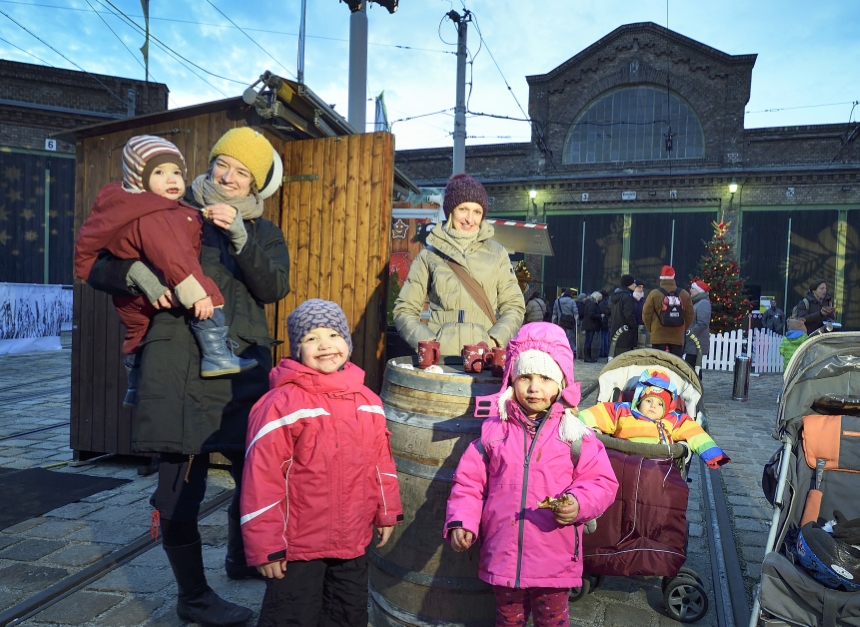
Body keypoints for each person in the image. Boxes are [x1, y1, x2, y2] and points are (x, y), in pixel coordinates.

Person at [84, 127, 291, 627]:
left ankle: (243, 556)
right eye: (224, 165)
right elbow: (99, 265)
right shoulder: (163, 206)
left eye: (243, 173)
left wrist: (241, 236)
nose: (229, 177)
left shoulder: (263, 231)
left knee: (254, 472)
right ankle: (193, 596)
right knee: (182, 481)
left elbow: (273, 287)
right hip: (178, 362)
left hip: (244, 363)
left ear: (257, 185)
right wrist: (133, 274)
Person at [241, 299, 403, 627]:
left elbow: (381, 462)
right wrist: (265, 545)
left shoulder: (367, 401)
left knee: (347, 615)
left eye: (333, 334)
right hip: (297, 545)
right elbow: (261, 479)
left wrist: (386, 511)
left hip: (352, 540)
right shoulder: (280, 405)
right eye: (312, 338)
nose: (325, 344)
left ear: (347, 342)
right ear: (297, 348)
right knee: (292, 616)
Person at [444, 322, 618, 627]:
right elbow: (469, 483)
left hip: (554, 558)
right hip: (503, 555)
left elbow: (601, 481)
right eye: (525, 377)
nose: (534, 387)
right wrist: (463, 520)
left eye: (545, 378)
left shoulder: (574, 435)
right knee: (508, 620)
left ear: (562, 383)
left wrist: (578, 503)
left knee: (552, 621)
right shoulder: (494, 433)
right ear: (511, 379)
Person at [75, 136, 256, 408]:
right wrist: (198, 294)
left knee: (137, 334)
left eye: (176, 173)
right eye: (159, 173)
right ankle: (217, 355)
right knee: (209, 298)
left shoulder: (133, 205)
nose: (171, 180)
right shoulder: (156, 212)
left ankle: (134, 385)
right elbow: (174, 259)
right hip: (157, 296)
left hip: (131, 306)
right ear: (139, 178)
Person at [393, 173, 525, 355]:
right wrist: (428, 343)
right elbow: (404, 309)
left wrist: (496, 339)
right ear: (451, 210)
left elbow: (514, 306)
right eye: (463, 209)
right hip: (440, 359)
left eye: (477, 212)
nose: (470, 219)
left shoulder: (497, 253)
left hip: (484, 357)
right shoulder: (429, 255)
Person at [578, 369, 731, 469]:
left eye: (659, 404)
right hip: (620, 459)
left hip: (657, 464)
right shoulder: (622, 410)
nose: (653, 406)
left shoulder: (674, 420)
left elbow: (694, 433)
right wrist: (574, 421)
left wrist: (713, 454)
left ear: (666, 409)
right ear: (639, 400)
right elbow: (598, 414)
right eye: (649, 401)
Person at [643, 265, 694, 357]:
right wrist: (682, 328)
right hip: (677, 335)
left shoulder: (654, 294)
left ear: (661, 278)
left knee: (658, 363)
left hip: (658, 335)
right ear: (673, 277)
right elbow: (689, 315)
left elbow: (646, 314)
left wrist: (652, 329)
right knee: (675, 364)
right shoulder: (684, 294)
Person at [683, 280, 712, 377]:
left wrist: (690, 333)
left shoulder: (703, 303)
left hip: (696, 342)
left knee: (693, 367)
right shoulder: (696, 302)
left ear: (699, 291)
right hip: (693, 342)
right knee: (693, 367)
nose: (690, 290)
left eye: (693, 288)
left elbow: (702, 323)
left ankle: (696, 388)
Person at [609, 274, 638, 357]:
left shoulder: (616, 296)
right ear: (629, 284)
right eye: (633, 283)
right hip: (626, 334)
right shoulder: (627, 297)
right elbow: (629, 315)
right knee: (625, 360)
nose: (635, 285)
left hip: (616, 333)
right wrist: (634, 326)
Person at [551, 288, 578, 355]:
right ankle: (569, 351)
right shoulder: (572, 301)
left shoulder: (557, 301)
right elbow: (575, 312)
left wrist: (553, 321)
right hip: (569, 322)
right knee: (569, 337)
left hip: (561, 321)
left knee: (561, 336)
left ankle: (562, 351)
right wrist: (576, 321)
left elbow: (554, 313)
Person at [581, 291, 603, 363]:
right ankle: (588, 357)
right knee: (589, 341)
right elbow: (591, 314)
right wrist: (600, 316)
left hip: (589, 324)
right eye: (599, 298)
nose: (600, 300)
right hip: (591, 324)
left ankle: (588, 357)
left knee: (588, 341)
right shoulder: (592, 304)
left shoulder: (589, 303)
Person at [598, 289, 611, 358]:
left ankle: (602, 352)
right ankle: (606, 352)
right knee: (606, 337)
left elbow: (601, 310)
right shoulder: (609, 300)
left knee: (603, 337)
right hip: (608, 321)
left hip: (603, 321)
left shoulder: (602, 302)